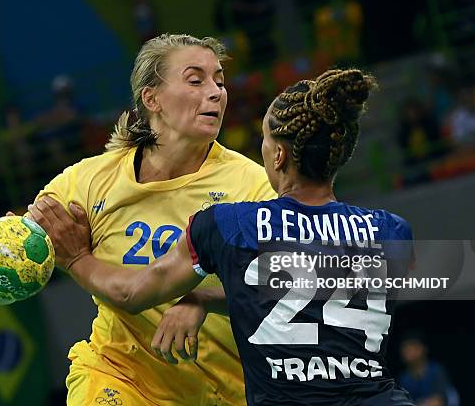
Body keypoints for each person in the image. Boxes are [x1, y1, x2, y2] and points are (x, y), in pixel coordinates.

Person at [30, 69, 416, 405]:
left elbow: (134, 294)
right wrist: (204, 299)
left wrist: (77, 259)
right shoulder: (392, 232)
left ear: (278, 156)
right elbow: (305, 293)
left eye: (264, 139)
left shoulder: (231, 225)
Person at [0, 34, 275, 405]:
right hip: (120, 374)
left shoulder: (252, 188)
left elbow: (288, 291)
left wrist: (201, 300)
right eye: (196, 80)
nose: (215, 92)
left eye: (219, 80)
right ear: (152, 99)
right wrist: (1, 248)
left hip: (223, 389)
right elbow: (10, 264)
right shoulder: (88, 182)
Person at [398, 332, 459, 406]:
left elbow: (440, 401)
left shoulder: (435, 370)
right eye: (405, 347)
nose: (409, 351)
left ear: (424, 349)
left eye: (414, 346)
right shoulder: (404, 378)